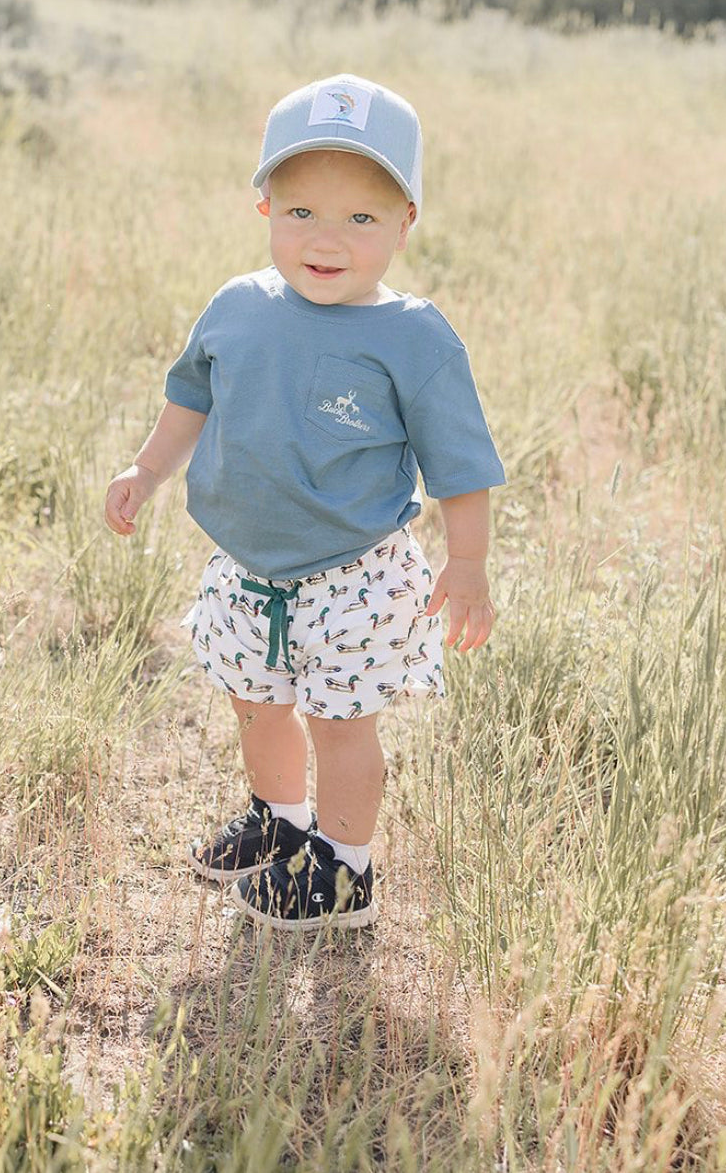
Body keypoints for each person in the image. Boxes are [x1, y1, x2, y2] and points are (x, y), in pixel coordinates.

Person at [103, 74, 506, 930]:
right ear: (265, 209)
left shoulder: (414, 337)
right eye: (302, 213)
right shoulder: (238, 308)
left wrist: (466, 563)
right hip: (247, 568)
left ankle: (346, 868)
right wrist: (147, 470)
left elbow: (458, 467)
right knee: (257, 705)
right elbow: (191, 399)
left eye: (361, 218)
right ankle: (281, 823)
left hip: (353, 576)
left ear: (405, 222)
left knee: (340, 725)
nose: (328, 239)